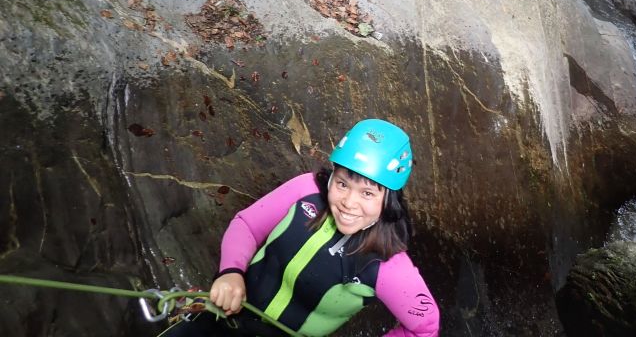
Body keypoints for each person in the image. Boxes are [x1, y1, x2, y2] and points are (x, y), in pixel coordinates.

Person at [159, 118, 440, 337]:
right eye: (342, 184)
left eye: (367, 193)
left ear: (388, 200)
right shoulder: (306, 191)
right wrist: (230, 273)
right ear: (332, 177)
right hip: (221, 317)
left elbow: (426, 328)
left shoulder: (389, 265)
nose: (348, 203)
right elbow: (247, 225)